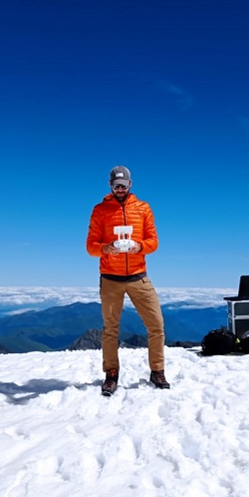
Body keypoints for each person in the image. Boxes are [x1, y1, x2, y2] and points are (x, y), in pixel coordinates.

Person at [86, 165, 169, 395]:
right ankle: (111, 374)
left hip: (138, 276)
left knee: (156, 325)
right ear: (110, 186)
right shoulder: (100, 210)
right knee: (110, 329)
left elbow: (154, 241)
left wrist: (138, 246)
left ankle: (157, 371)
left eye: (123, 185)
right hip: (110, 278)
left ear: (130, 184)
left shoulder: (143, 208)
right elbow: (90, 247)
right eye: (116, 185)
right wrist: (107, 248)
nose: (120, 189)